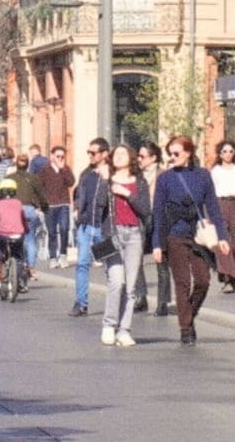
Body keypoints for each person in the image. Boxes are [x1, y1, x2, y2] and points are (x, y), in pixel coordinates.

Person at [151, 135, 231, 346]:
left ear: (188, 153)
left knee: (203, 281)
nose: (172, 157)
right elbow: (158, 212)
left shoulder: (203, 175)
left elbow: (213, 206)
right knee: (182, 282)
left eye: (176, 153)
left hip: (198, 235)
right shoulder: (165, 178)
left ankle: (188, 315)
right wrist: (157, 244)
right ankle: (185, 328)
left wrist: (222, 237)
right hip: (174, 234)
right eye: (170, 153)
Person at [100, 144, 152, 347]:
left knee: (130, 287)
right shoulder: (106, 180)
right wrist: (106, 182)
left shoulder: (139, 183)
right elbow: (99, 205)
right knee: (116, 281)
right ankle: (109, 325)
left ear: (131, 158)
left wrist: (126, 193)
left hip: (134, 236)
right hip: (113, 235)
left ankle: (124, 329)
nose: (119, 157)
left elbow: (145, 210)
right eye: (116, 154)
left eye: (123, 153)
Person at [70, 137, 111, 317]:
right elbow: (79, 194)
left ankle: (115, 303)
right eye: (89, 152)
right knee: (82, 264)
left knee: (109, 266)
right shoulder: (86, 175)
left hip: (102, 228)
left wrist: (106, 178)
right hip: (86, 227)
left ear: (104, 154)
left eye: (93, 153)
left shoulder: (111, 175)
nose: (90, 156)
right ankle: (81, 303)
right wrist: (78, 209)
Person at [135, 142, 173, 316]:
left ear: (153, 158)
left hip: (160, 220)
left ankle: (163, 302)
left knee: (161, 261)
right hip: (140, 220)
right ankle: (140, 297)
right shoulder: (136, 175)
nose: (139, 159)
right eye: (138, 156)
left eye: (142, 156)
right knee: (135, 259)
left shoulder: (163, 175)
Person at [210, 141, 235, 292]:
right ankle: (228, 279)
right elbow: (211, 192)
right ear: (220, 154)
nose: (227, 154)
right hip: (221, 205)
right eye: (224, 151)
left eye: (230, 151)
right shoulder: (215, 171)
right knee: (223, 242)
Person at [0, 179, 30, 282]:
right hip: (18, 234)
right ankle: (24, 268)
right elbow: (23, 219)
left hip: (3, 235)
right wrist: (26, 229)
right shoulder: (18, 203)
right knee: (20, 252)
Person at [39, 144, 78, 268]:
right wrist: (39, 204)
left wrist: (63, 169)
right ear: (52, 156)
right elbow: (38, 187)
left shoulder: (66, 169)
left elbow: (71, 182)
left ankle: (63, 254)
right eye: (58, 156)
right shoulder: (44, 170)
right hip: (50, 205)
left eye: (62, 156)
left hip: (64, 204)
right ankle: (52, 257)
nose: (60, 158)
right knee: (51, 232)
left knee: (64, 229)